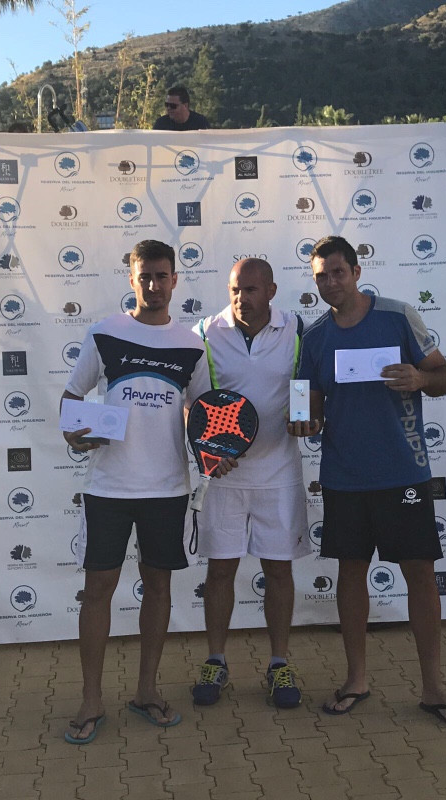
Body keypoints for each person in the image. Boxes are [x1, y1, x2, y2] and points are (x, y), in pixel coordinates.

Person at [289, 235, 446, 727]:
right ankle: (356, 679)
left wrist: (420, 379)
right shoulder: (315, 336)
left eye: (338, 272)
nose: (330, 282)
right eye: (321, 276)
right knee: (351, 575)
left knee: (419, 575)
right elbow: (308, 406)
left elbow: (445, 376)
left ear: (356, 271)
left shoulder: (397, 316)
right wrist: (303, 420)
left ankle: (433, 688)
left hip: (402, 473)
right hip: (344, 478)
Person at [60, 239, 213, 742]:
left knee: (159, 589)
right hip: (109, 486)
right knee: (97, 591)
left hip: (167, 488)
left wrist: (216, 449)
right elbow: (72, 397)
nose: (153, 284)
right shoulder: (104, 333)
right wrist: (75, 433)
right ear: (132, 279)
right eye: (144, 276)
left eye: (161, 275)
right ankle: (90, 700)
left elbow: (203, 413)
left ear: (175, 280)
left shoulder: (192, 345)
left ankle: (147, 691)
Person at [191, 258, 310, 709]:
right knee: (220, 572)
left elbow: (305, 389)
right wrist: (207, 452)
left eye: (252, 290)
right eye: (235, 289)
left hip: (279, 475)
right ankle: (215, 661)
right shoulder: (205, 332)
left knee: (278, 571)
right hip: (223, 478)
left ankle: (279, 664)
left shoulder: (297, 329)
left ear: (272, 291)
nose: (242, 298)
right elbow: (191, 405)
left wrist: (305, 419)